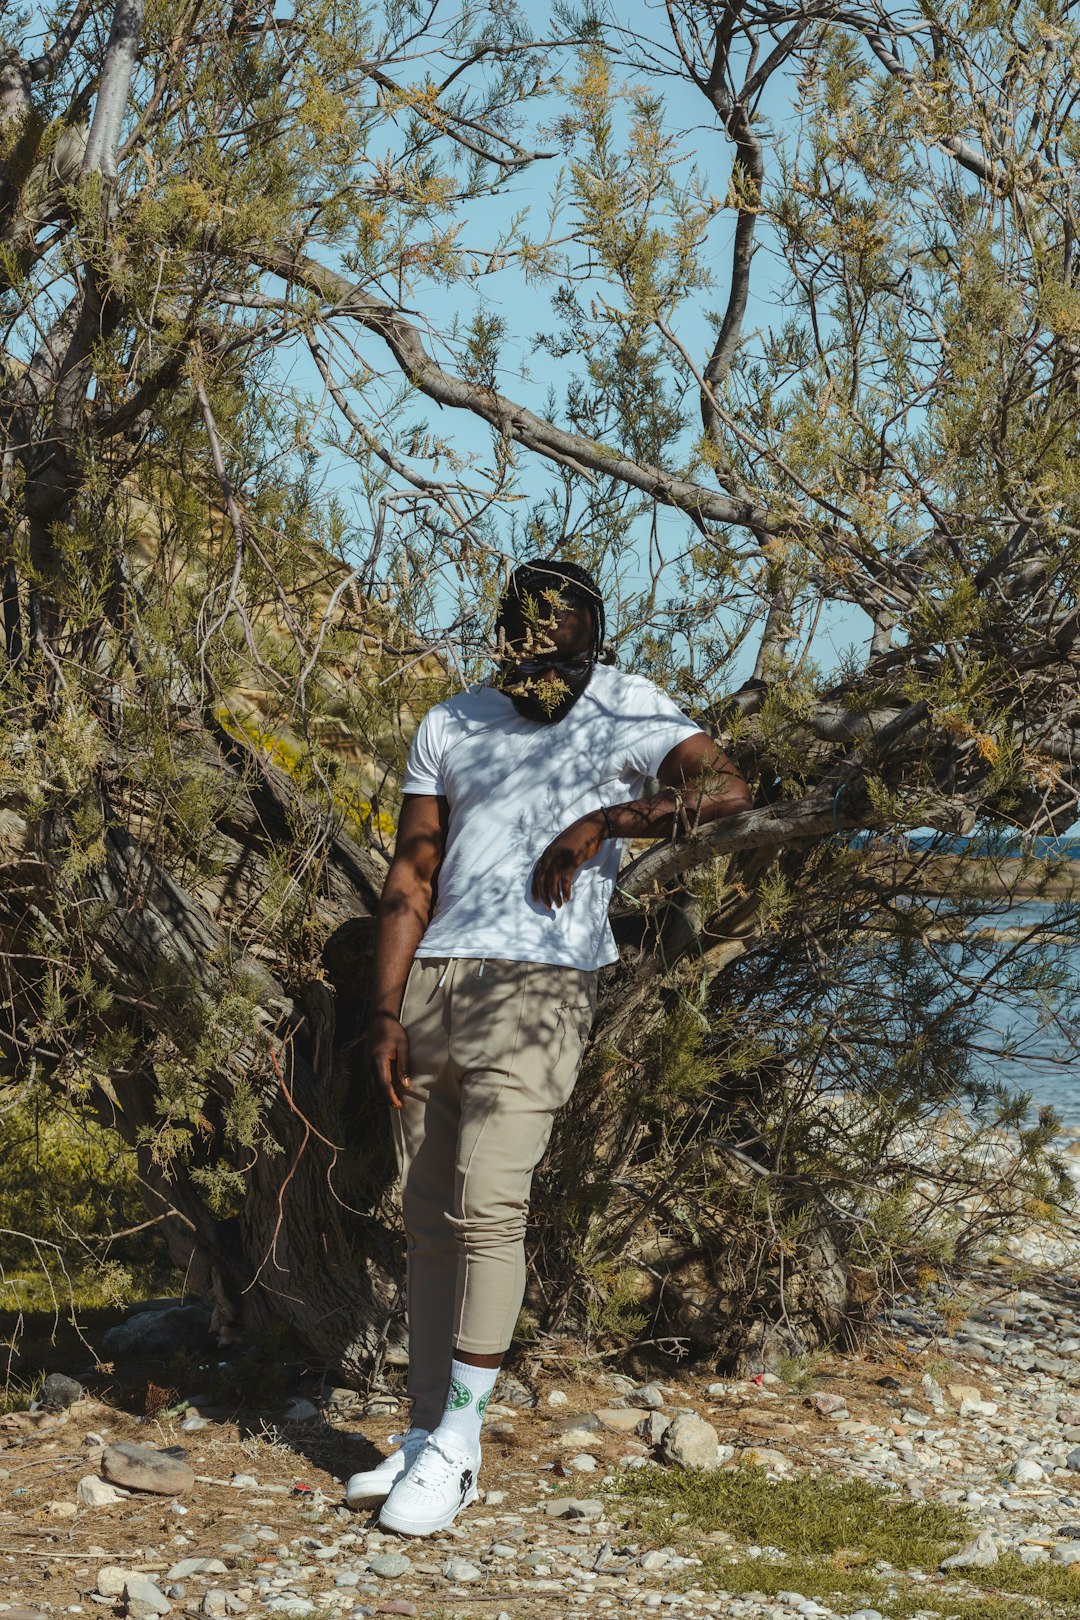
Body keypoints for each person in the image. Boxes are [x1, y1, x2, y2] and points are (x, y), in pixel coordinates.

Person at [346, 558, 752, 1535]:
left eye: (574, 639)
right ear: (509, 636)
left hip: (541, 992)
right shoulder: (450, 722)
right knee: (430, 1218)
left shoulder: (626, 706)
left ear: (595, 636)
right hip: (438, 983)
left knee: (489, 1203)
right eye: (536, 638)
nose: (555, 658)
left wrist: (611, 819)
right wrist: (387, 1010)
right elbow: (411, 870)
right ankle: (425, 1434)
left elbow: (728, 789)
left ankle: (460, 1448)